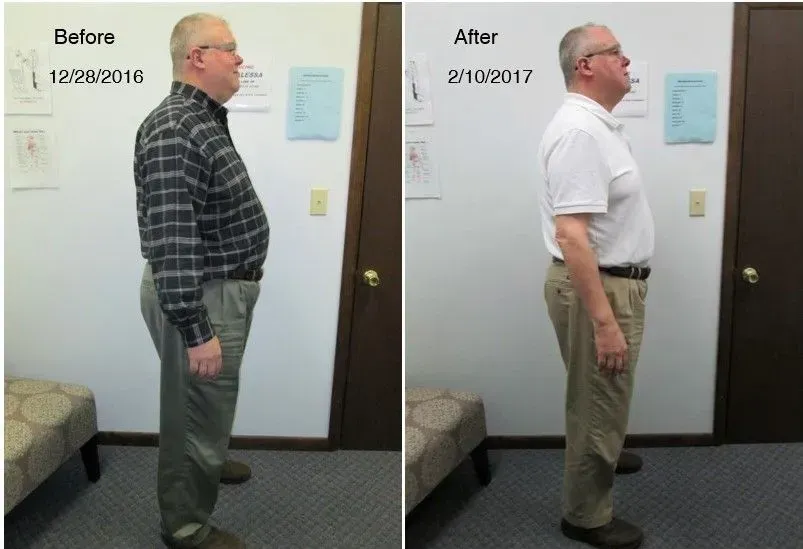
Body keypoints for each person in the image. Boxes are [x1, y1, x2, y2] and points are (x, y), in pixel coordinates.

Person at [134, 13, 269, 549]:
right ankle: (185, 527)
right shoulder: (176, 128)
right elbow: (173, 241)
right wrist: (196, 329)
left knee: (204, 404)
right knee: (192, 414)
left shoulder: (202, 119)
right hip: (200, 296)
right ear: (197, 57)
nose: (239, 58)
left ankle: (205, 461)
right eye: (230, 47)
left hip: (216, 289)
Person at [537, 23, 654, 549]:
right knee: (597, 403)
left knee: (600, 394)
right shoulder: (581, 133)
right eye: (616, 52)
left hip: (608, 284)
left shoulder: (597, 127)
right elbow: (572, 235)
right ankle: (585, 517)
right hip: (598, 289)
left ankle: (603, 447)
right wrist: (605, 322)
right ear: (585, 65)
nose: (627, 61)